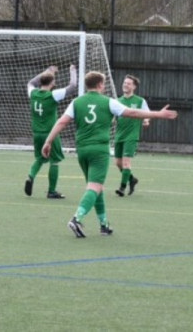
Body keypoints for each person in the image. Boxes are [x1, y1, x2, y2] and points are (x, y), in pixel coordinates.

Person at [42, 71, 178, 238]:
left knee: (95, 187)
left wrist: (48, 141)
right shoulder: (109, 102)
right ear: (100, 84)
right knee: (94, 186)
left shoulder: (76, 102)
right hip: (99, 150)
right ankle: (76, 219)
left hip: (82, 150)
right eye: (104, 83)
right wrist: (158, 114)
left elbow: (62, 121)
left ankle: (104, 224)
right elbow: (133, 113)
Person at [25, 65, 77, 199]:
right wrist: (73, 71)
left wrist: (47, 71)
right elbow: (72, 86)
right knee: (54, 161)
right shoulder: (53, 95)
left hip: (36, 132)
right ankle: (51, 191)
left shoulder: (33, 93)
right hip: (50, 133)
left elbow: (30, 82)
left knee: (40, 158)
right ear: (52, 82)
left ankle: (30, 176)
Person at [113, 74, 150, 197]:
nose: (125, 85)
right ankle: (132, 179)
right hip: (119, 135)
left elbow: (147, 113)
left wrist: (146, 120)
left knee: (126, 163)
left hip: (131, 135)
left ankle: (122, 188)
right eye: (124, 83)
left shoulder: (139, 101)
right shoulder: (117, 101)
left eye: (128, 83)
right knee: (118, 163)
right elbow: (113, 117)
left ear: (134, 87)